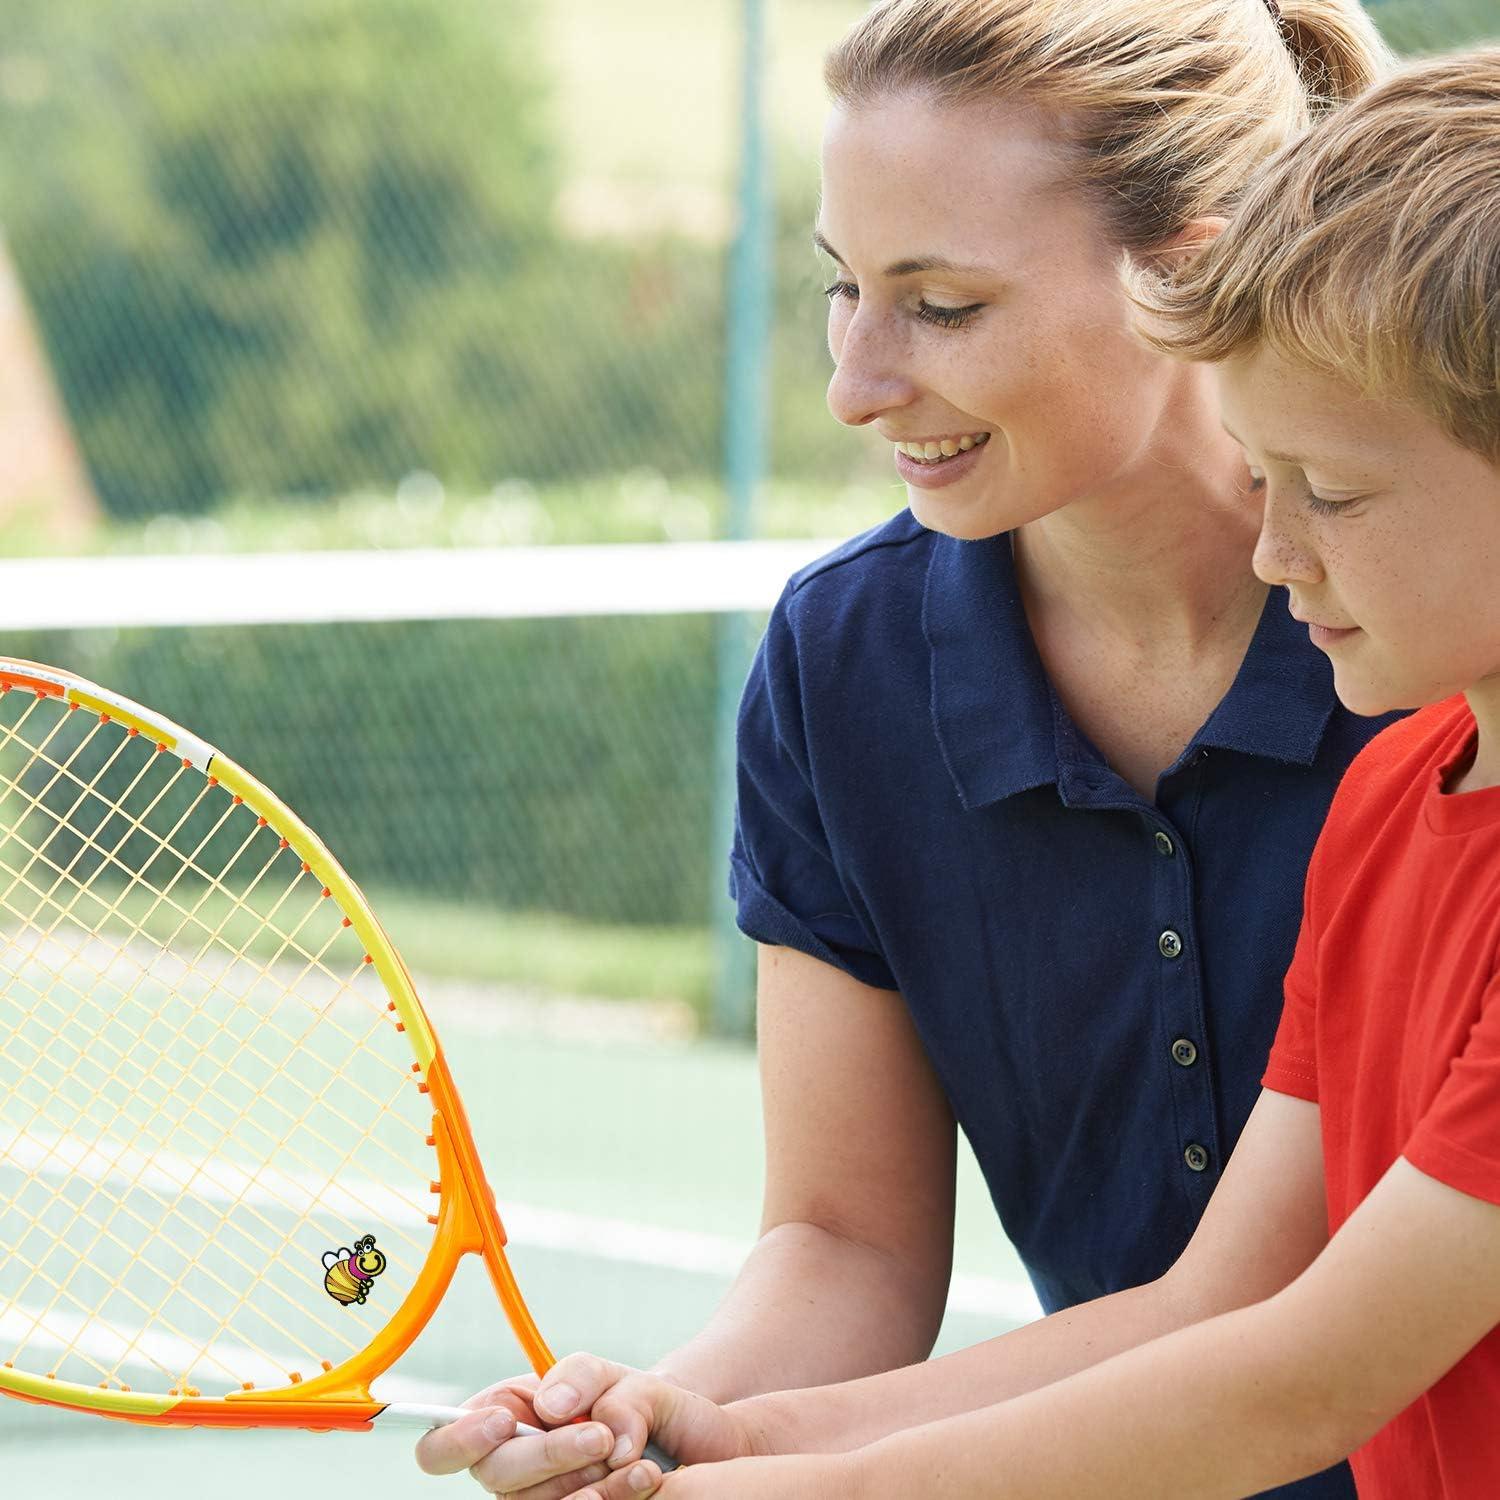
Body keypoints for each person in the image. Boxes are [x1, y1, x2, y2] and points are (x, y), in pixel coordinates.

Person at [428, 45, 1500, 1499]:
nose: (857, 387)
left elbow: (1299, 1369)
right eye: (840, 289)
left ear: (1175, 279)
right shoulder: (1394, 787)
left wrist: (797, 1489)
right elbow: (1209, 1303)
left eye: (940, 305)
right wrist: (715, 1426)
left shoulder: (1404, 660)